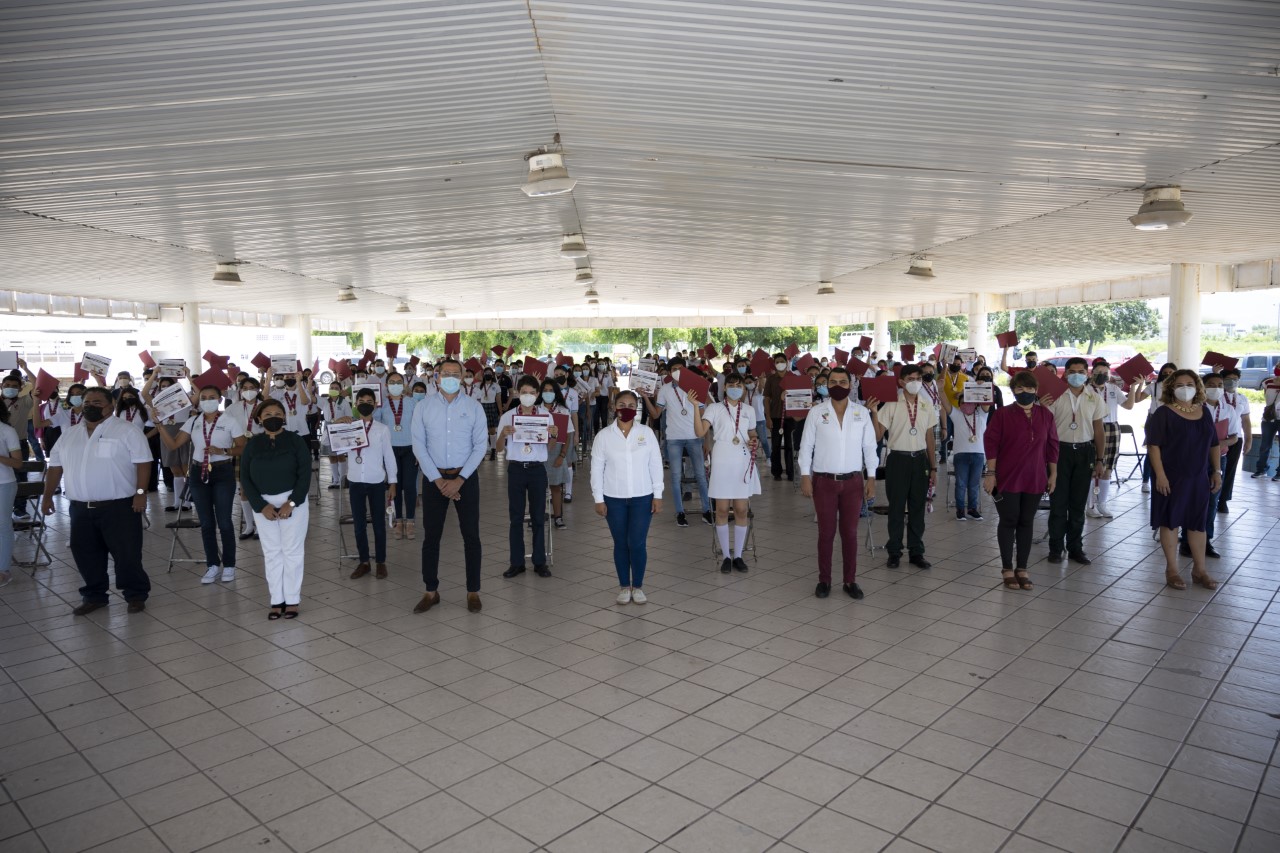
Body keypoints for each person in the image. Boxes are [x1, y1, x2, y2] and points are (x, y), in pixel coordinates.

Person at [40, 387, 152, 615]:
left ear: (111, 405)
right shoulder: (69, 434)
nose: (91, 406)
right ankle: (95, 596)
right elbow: (55, 467)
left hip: (119, 506)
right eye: (87, 401)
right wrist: (47, 495)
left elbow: (143, 463)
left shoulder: (126, 430)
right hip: (80, 508)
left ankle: (135, 594)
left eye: (98, 402)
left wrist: (141, 492)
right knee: (86, 554)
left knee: (127, 555)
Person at [410, 358, 488, 614]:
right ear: (437, 376)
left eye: (456, 373)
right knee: (431, 537)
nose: (451, 377)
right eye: (446, 373)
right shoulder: (424, 407)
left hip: (465, 479)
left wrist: (460, 480)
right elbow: (418, 445)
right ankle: (431, 590)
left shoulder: (474, 407)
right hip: (434, 480)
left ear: (465, 376)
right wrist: (438, 480)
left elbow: (480, 446)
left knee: (471, 536)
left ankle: (473, 590)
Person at [797, 366, 876, 599]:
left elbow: (869, 447)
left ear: (850, 386)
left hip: (853, 482)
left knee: (850, 533)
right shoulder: (816, 412)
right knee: (826, 533)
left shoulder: (861, 413)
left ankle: (850, 580)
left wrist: (871, 477)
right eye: (833, 382)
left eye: (843, 382)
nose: (838, 386)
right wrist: (804, 475)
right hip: (824, 482)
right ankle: (825, 580)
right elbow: (806, 446)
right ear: (826, 385)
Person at [983, 372, 1059, 590]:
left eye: (1028, 388)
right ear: (1013, 390)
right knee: (1009, 520)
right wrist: (991, 474)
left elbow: (1053, 446)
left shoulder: (1046, 415)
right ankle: (1007, 567)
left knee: (1027, 521)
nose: (1024, 392)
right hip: (1006, 477)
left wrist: (1053, 474)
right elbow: (991, 444)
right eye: (1019, 389)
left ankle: (1022, 568)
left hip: (1035, 477)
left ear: (1036, 390)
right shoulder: (1002, 415)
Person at [1146, 371, 1221, 591]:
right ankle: (1172, 569)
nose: (1185, 388)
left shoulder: (1204, 412)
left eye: (1190, 384)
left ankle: (1200, 570)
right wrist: (1160, 475)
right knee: (1170, 521)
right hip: (1170, 477)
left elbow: (1214, 444)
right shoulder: (1163, 413)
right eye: (1180, 384)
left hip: (1198, 477)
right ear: (1171, 388)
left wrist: (1216, 471)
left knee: (1198, 523)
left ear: (1197, 387)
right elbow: (1154, 446)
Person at [158, 385, 240, 584]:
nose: (207, 400)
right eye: (204, 397)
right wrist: (159, 425)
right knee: (206, 522)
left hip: (222, 472)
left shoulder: (229, 420)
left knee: (225, 522)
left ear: (220, 399)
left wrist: (224, 451)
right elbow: (174, 444)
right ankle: (212, 564)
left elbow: (243, 447)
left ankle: (229, 565)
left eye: (212, 397)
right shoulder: (193, 421)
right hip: (197, 473)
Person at [240, 399, 312, 618]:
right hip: (264, 506)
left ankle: (292, 600)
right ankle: (276, 600)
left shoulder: (295, 440)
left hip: (293, 503)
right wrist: (260, 506)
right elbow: (245, 476)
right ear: (259, 419)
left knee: (292, 551)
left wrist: (291, 503)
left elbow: (305, 473)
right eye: (268, 414)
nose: (273, 417)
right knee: (272, 553)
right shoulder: (252, 444)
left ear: (284, 417)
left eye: (278, 413)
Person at [591, 390, 663, 604]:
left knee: (637, 543)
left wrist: (657, 495)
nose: (626, 409)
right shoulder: (603, 436)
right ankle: (624, 586)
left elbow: (655, 465)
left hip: (643, 497)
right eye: (622, 404)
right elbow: (596, 469)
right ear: (613, 407)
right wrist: (598, 498)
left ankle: (638, 586)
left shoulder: (647, 433)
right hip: (613, 498)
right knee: (621, 543)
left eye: (631, 405)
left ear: (637, 408)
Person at [690, 374, 760, 574]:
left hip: (742, 460)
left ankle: (738, 555)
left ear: (743, 389)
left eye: (739, 385)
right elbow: (700, 432)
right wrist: (696, 406)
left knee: (740, 509)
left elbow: (752, 433)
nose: (735, 388)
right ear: (724, 387)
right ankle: (726, 557)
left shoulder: (748, 410)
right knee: (721, 510)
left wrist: (753, 440)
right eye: (731, 385)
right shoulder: (714, 408)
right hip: (721, 459)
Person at [874, 364, 938, 569]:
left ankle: (916, 552)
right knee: (896, 508)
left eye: (918, 379)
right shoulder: (891, 404)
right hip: (898, 460)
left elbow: (929, 437)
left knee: (918, 507)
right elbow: (877, 435)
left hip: (920, 460)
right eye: (911, 379)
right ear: (901, 382)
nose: (915, 383)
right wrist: (874, 412)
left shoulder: (927, 404)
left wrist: (933, 467)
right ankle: (894, 551)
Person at [1044, 357, 1107, 565]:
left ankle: (1075, 548)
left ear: (1087, 374)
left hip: (1084, 452)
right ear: (1065, 373)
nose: (1076, 375)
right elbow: (1045, 426)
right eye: (1072, 371)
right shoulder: (1054, 396)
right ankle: (1055, 548)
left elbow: (1098, 429)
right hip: (1059, 452)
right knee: (1058, 503)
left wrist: (1100, 458)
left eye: (1081, 371)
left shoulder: (1094, 397)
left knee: (1078, 505)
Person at [498, 376, 557, 579]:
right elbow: (498, 449)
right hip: (515, 469)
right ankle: (517, 562)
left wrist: (554, 435)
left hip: (537, 469)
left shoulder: (545, 415)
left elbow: (548, 448)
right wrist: (502, 435)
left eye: (532, 393)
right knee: (515, 517)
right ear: (517, 392)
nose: (528, 396)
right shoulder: (507, 417)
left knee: (538, 516)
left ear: (538, 394)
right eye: (524, 392)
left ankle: (539, 562)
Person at [642, 357, 712, 527]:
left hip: (695, 436)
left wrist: (707, 440)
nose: (678, 371)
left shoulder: (695, 385)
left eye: (681, 368)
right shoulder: (665, 390)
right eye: (674, 368)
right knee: (675, 477)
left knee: (701, 476)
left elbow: (704, 415)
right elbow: (656, 414)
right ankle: (680, 512)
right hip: (673, 438)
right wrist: (645, 397)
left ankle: (707, 510)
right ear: (669, 371)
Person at [1179, 372, 1238, 559]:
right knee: (1192, 499)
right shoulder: (1194, 408)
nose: (1216, 388)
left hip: (1218, 458)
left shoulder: (1228, 409)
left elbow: (1235, 436)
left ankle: (1206, 541)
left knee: (1212, 501)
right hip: (1194, 459)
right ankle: (1187, 541)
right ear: (1202, 387)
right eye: (1211, 385)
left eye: (1220, 385)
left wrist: (1221, 444)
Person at [347, 388, 397, 580]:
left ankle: (381, 562)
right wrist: (336, 423)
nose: (365, 403)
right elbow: (329, 444)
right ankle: (364, 562)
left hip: (376, 481)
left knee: (378, 524)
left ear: (375, 404)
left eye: (369, 400)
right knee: (359, 525)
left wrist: (392, 482)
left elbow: (389, 457)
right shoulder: (348, 427)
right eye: (361, 400)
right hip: (355, 481)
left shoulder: (382, 429)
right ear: (356, 404)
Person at [142, 372, 195, 513]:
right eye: (162, 386)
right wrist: (154, 373)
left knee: (185, 468)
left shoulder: (185, 399)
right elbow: (144, 392)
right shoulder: (157, 403)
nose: (165, 388)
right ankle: (177, 501)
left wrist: (188, 375)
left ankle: (187, 502)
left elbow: (200, 392)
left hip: (182, 431)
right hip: (166, 433)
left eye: (168, 386)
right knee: (175, 469)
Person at [375, 371, 418, 539]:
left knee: (409, 486)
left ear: (403, 385)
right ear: (386, 385)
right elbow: (376, 426)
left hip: (410, 448)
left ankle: (411, 521)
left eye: (398, 382)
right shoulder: (382, 405)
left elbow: (419, 427)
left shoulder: (412, 402)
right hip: (390, 450)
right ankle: (398, 520)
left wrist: (420, 451)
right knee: (396, 486)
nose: (395, 385)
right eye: (392, 382)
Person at [950, 384, 992, 521]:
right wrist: (939, 389)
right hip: (960, 454)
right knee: (961, 484)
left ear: (975, 403)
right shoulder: (956, 414)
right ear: (959, 405)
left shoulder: (982, 413)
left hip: (979, 454)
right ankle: (960, 510)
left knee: (974, 484)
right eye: (963, 402)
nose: (966, 405)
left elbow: (987, 399)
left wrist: (977, 388)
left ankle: (973, 509)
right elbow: (944, 402)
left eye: (969, 402)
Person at [540, 378, 575, 530]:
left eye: (551, 391)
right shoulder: (536, 409)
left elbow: (568, 435)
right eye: (545, 391)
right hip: (539, 452)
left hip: (557, 453)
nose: (548, 394)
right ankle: (539, 515)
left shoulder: (563, 410)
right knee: (539, 487)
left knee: (556, 487)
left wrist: (562, 456)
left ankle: (558, 517)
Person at [1215, 367, 1251, 514]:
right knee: (1217, 468)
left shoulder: (1242, 398)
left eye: (1235, 379)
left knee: (1230, 470)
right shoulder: (1217, 396)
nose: (1232, 382)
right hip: (1219, 438)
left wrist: (1249, 439)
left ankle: (1223, 500)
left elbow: (1246, 420)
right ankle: (1213, 496)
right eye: (1228, 379)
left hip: (1236, 439)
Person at [1137, 362, 1176, 493]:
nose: (1168, 375)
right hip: (1154, 420)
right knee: (1152, 450)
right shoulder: (1154, 387)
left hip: (1172, 420)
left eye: (1171, 372)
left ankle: (1167, 477)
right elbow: (1137, 399)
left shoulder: (1178, 388)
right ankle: (1145, 481)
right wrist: (1140, 384)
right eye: (1165, 372)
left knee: (1171, 449)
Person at [0, 402, 25, 587]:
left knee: (2, 526)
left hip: (3, 484)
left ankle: (3, 570)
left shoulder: (6, 431)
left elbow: (18, 463)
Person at [764, 353, 798, 481]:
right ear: (774, 364)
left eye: (782, 361)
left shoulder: (793, 377)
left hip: (791, 418)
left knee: (790, 446)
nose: (780, 363)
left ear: (787, 362)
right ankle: (776, 472)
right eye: (777, 361)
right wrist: (768, 417)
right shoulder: (771, 379)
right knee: (776, 445)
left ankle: (791, 472)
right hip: (775, 417)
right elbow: (766, 399)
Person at [319, 379, 353, 489]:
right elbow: (312, 398)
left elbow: (349, 417)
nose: (333, 390)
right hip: (328, 428)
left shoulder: (344, 402)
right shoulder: (325, 401)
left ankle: (343, 479)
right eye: (331, 388)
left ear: (340, 390)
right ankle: (335, 480)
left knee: (340, 455)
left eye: (336, 388)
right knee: (331, 456)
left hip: (340, 429)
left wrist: (341, 420)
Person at [1253, 367, 1280, 481]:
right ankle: (1261, 469)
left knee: (1266, 445)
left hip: (1272, 417)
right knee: (1265, 445)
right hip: (1269, 418)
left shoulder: (1268, 382)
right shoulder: (1268, 382)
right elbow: (1267, 398)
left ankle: (1278, 473)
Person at [479, 367, 502, 460]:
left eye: (489, 373)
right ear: (483, 374)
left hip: (492, 407)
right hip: (481, 407)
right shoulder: (478, 385)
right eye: (486, 373)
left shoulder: (496, 386)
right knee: (482, 431)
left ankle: (493, 450)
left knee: (492, 431)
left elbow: (498, 400)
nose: (487, 374)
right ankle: (483, 451)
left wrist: (500, 411)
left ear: (492, 375)